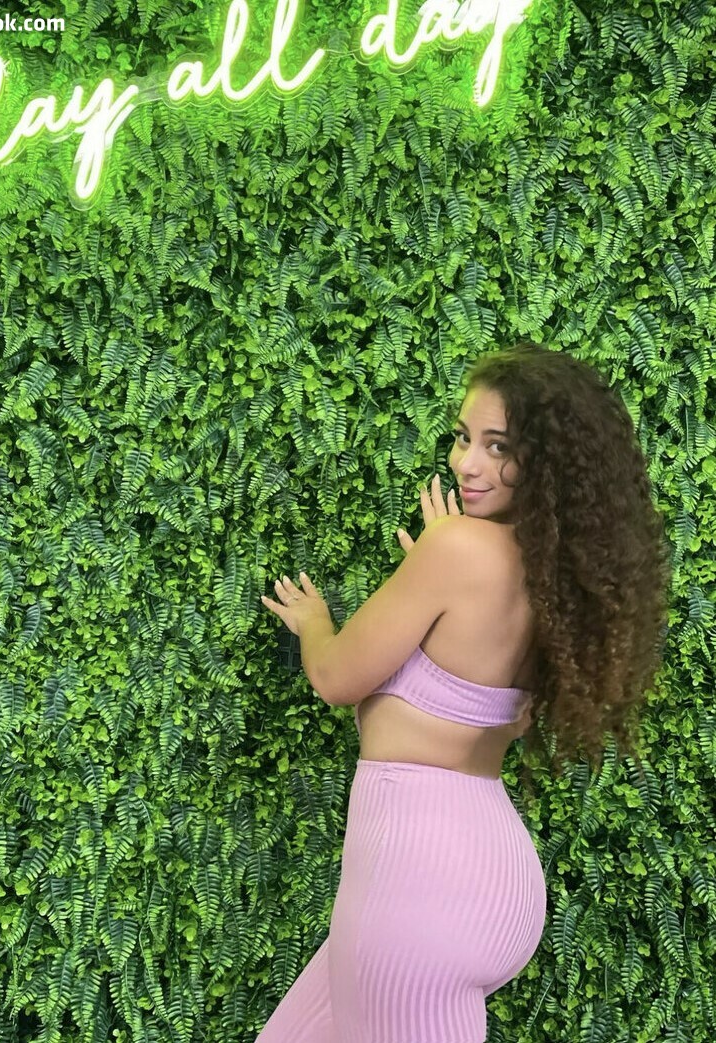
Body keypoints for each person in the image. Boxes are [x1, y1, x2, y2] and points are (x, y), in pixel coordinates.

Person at [256, 340, 672, 1043]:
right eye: (462, 437)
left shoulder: (454, 548)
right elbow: (495, 709)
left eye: (497, 446)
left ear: (545, 461)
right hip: (488, 881)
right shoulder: (556, 583)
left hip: (418, 889)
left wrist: (314, 622)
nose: (466, 463)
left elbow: (335, 677)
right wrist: (436, 557)